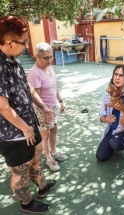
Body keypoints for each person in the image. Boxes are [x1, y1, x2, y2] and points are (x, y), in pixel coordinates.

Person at [0, 16, 56, 213]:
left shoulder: (13, 60)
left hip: (29, 125)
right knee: (19, 171)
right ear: (9, 42)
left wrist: (43, 106)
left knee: (37, 154)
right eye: (24, 42)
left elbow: (28, 88)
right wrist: (25, 128)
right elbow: (3, 107)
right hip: (14, 133)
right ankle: (26, 203)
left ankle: (42, 185)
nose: (26, 46)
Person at [28, 42, 68, 172]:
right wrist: (44, 111)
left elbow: (54, 87)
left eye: (51, 56)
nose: (50, 60)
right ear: (37, 57)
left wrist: (61, 100)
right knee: (45, 134)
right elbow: (36, 97)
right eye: (46, 58)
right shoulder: (35, 73)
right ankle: (48, 157)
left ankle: (54, 151)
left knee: (54, 128)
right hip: (42, 109)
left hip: (53, 106)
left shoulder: (50, 68)